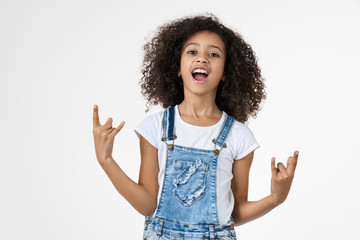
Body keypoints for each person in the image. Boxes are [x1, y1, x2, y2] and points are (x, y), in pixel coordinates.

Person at [92, 14, 299, 240]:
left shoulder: (239, 136)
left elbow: (235, 212)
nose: (202, 59)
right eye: (192, 52)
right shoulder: (155, 127)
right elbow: (147, 204)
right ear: (178, 67)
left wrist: (275, 198)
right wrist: (106, 161)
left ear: (226, 72)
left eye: (213, 54)